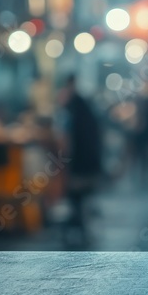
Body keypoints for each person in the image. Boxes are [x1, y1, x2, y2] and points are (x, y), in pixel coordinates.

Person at [57, 75, 102, 249]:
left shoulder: (72, 112)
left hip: (79, 167)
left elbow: (66, 142)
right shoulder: (85, 109)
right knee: (79, 201)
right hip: (90, 165)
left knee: (75, 199)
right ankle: (80, 230)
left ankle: (75, 230)